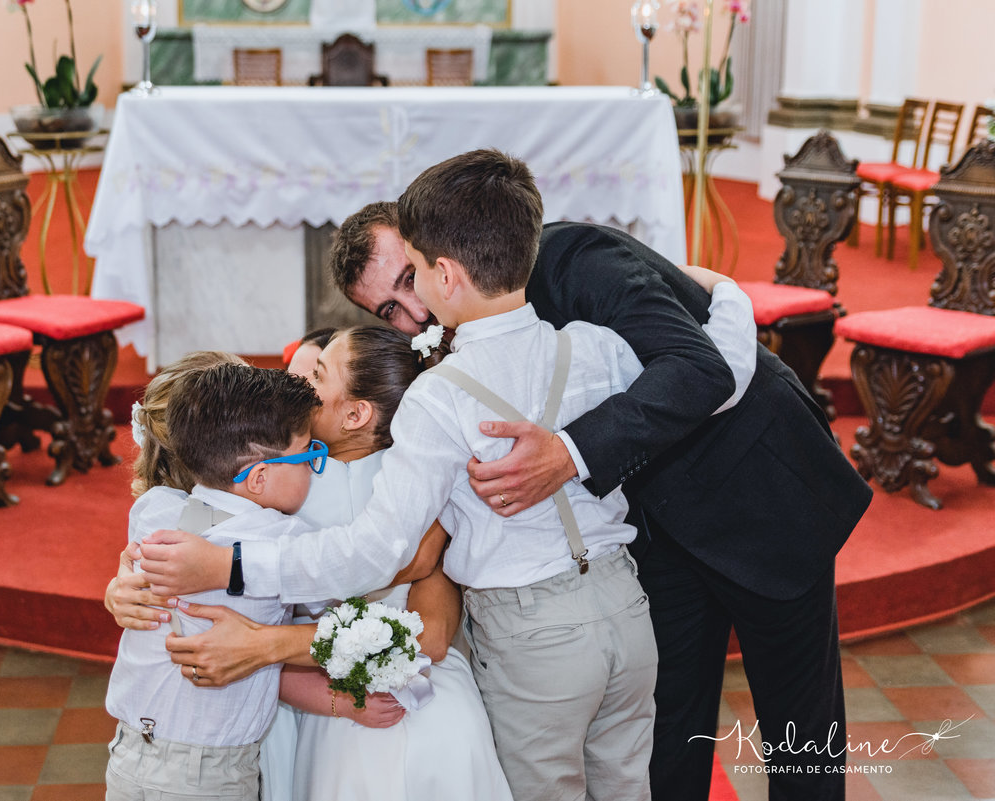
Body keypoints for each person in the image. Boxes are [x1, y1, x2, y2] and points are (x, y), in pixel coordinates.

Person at [131, 150, 754, 801]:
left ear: (447, 274)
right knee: (628, 789)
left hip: (533, 636)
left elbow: (375, 551)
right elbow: (721, 378)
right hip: (626, 612)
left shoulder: (439, 399)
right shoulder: (592, 345)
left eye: (418, 270)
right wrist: (731, 296)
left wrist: (230, 566)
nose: (414, 297)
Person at [322, 202, 874, 797]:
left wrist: (568, 452)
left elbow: (702, 367)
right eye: (390, 311)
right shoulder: (443, 353)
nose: (417, 312)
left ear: (432, 251)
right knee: (669, 734)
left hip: (757, 496)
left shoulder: (568, 258)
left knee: (801, 733)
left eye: (410, 281)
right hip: (648, 535)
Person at [111, 327, 514, 801]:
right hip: (273, 718)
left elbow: (413, 617)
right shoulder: (290, 513)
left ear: (356, 413)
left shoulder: (180, 508)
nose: (300, 387)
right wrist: (121, 585)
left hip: (159, 742)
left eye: (316, 375)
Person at [104, 356, 324, 801]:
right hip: (208, 772)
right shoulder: (285, 539)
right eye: (310, 456)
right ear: (259, 477)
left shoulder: (154, 508)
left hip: (128, 752)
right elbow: (340, 615)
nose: (314, 468)